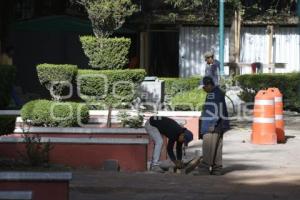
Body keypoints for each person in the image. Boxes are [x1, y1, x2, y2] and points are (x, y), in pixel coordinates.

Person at [197, 76, 229, 176]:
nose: (203, 89)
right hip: (219, 126)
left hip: (212, 126)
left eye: (204, 87)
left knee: (208, 149)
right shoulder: (217, 92)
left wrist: (211, 124)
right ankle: (217, 170)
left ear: (209, 85)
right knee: (217, 149)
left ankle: (204, 170)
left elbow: (214, 110)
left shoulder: (213, 94)